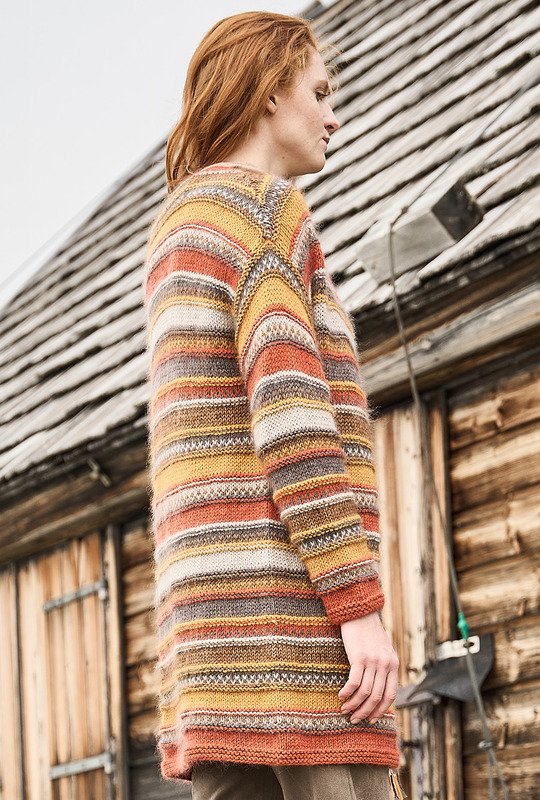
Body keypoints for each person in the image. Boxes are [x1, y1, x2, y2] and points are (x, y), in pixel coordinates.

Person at [143, 10, 406, 800]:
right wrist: (358, 610)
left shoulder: (179, 230)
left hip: (210, 647)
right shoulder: (264, 214)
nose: (334, 117)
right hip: (292, 635)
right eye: (320, 93)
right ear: (267, 91)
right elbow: (293, 425)